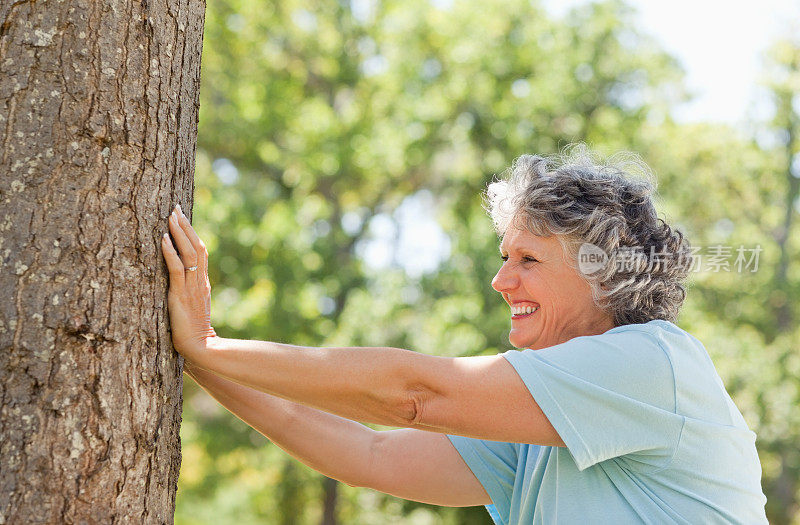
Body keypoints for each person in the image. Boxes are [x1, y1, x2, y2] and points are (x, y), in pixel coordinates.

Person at [161, 145, 768, 524]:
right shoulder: (545, 423)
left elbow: (415, 396)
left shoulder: (650, 363)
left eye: (528, 260)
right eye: (505, 257)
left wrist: (211, 347)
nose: (501, 280)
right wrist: (204, 354)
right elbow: (367, 455)